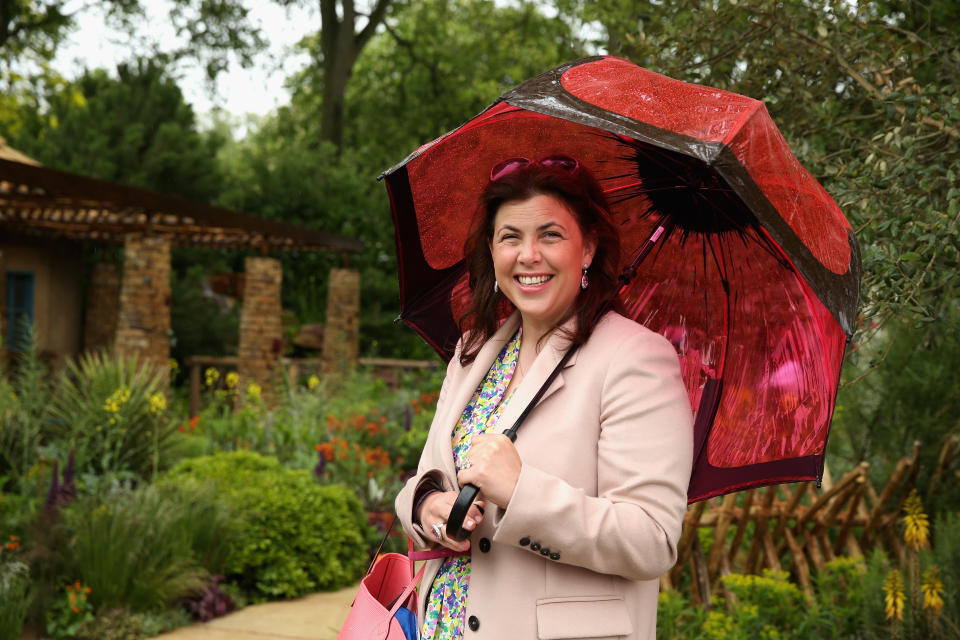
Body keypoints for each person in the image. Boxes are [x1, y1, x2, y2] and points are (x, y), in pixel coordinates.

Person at [395, 155, 693, 640]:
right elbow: (423, 478)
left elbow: (651, 540)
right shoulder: (473, 355)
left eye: (550, 235)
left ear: (589, 247)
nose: (528, 255)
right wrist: (427, 505)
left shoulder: (634, 359)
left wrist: (521, 492)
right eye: (510, 236)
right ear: (491, 252)